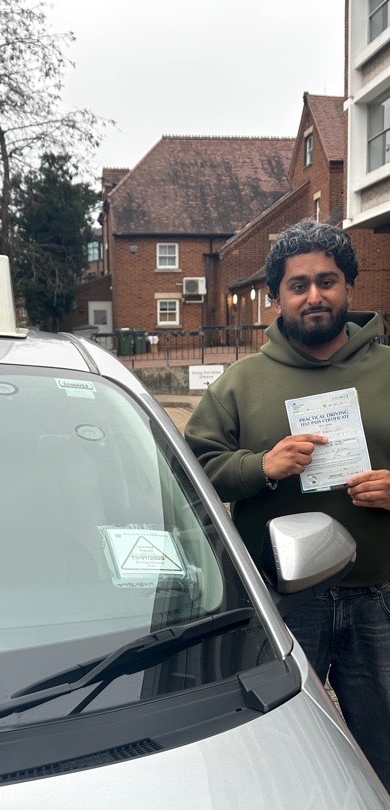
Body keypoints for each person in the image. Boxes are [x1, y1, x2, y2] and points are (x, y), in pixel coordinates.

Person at [184, 218, 390, 790]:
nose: (314, 295)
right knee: (272, 753)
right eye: (298, 285)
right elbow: (191, 472)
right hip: (277, 603)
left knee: (385, 747)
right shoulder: (241, 383)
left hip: (379, 597)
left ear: (349, 287)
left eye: (327, 281)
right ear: (277, 297)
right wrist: (260, 467)